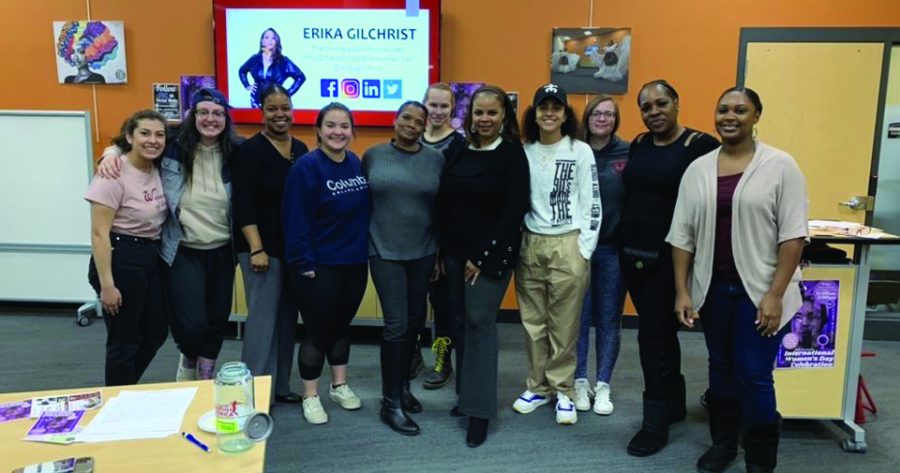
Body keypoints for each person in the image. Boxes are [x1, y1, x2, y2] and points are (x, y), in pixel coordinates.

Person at [668, 87, 808, 473]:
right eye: (723, 109)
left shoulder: (781, 166)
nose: (730, 116)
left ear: (756, 116)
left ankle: (761, 458)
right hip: (713, 290)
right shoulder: (698, 169)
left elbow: (793, 235)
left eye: (741, 110)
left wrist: (775, 295)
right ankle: (724, 444)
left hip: (761, 292)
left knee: (753, 373)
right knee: (720, 369)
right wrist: (682, 291)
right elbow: (682, 236)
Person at [96, 88, 242, 383]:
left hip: (223, 249)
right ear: (192, 115)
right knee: (191, 325)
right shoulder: (172, 144)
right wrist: (110, 152)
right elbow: (133, 143)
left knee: (216, 319)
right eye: (203, 112)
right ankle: (188, 358)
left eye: (217, 114)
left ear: (226, 119)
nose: (210, 119)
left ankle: (204, 375)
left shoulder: (237, 151)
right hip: (182, 248)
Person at [622, 80, 720, 457]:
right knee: (661, 335)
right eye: (646, 107)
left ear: (676, 103)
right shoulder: (640, 144)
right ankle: (675, 404)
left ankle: (655, 422)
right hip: (633, 257)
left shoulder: (699, 147)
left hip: (672, 261)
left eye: (661, 103)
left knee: (651, 338)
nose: (654, 112)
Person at [437, 84, 530, 447]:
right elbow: (445, 203)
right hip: (455, 255)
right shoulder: (458, 149)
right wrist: (444, 253)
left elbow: (513, 210)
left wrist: (483, 256)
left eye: (492, 112)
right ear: (470, 115)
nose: (485, 119)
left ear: (504, 115)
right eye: (479, 112)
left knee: (479, 326)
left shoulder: (511, 154)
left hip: (489, 258)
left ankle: (481, 412)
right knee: (459, 326)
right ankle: (467, 398)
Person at [511, 83, 600, 425]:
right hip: (531, 243)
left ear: (565, 114)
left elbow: (592, 201)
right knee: (533, 323)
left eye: (556, 107)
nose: (549, 113)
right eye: (543, 107)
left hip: (568, 243)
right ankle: (537, 387)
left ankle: (563, 390)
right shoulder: (524, 151)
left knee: (564, 325)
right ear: (534, 113)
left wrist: (584, 249)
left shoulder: (579, 151)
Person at [283, 102, 370, 425]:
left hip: (354, 263)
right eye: (331, 125)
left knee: (340, 326)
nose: (338, 132)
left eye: (344, 126)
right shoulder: (306, 167)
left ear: (352, 131)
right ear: (318, 130)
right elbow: (296, 220)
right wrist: (303, 261)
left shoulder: (355, 164)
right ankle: (310, 395)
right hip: (317, 266)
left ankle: (339, 385)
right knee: (318, 331)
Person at [364, 101, 444, 435]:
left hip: (423, 251)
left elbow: (442, 207)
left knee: (413, 323)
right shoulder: (372, 155)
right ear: (395, 121)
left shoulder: (435, 159)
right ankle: (390, 402)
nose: (412, 124)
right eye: (406, 118)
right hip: (384, 250)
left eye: (419, 121)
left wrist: (439, 253)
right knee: (396, 324)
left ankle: (403, 386)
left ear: (426, 126)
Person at [233, 84, 310, 403]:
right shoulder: (250, 150)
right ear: (261, 111)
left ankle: (278, 388)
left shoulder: (302, 149)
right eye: (272, 108)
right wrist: (256, 248)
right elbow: (243, 203)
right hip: (260, 250)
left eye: (285, 107)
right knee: (263, 322)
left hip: (292, 250)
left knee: (286, 321)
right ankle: (252, 394)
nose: (280, 114)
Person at [86, 109, 169, 386]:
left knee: (155, 331)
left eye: (159, 135)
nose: (153, 140)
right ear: (130, 137)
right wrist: (108, 286)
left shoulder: (155, 167)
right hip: (119, 256)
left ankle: (123, 390)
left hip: (148, 256)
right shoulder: (113, 173)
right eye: (144, 133)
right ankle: (117, 403)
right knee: (124, 340)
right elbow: (99, 234)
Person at [573, 94, 630, 416]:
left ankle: (603, 384)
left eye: (609, 114)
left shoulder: (627, 153)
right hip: (578, 250)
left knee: (609, 319)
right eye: (597, 113)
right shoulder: (573, 151)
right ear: (587, 117)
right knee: (578, 320)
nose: (603, 118)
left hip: (611, 249)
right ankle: (580, 381)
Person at [420, 82, 466, 390]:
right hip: (411, 238)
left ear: (452, 109)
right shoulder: (412, 139)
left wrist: (440, 248)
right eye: (432, 105)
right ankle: (410, 357)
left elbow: (455, 201)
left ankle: (442, 359)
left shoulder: (459, 145)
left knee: (445, 307)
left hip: (444, 241)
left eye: (443, 106)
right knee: (413, 306)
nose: (437, 111)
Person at [238, 28, 306, 108]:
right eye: (267, 38)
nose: (270, 40)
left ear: (276, 41)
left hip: (275, 102)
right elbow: (242, 71)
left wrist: (287, 93)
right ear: (262, 41)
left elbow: (301, 77)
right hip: (256, 101)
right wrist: (247, 85)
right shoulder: (255, 59)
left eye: (273, 38)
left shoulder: (283, 61)